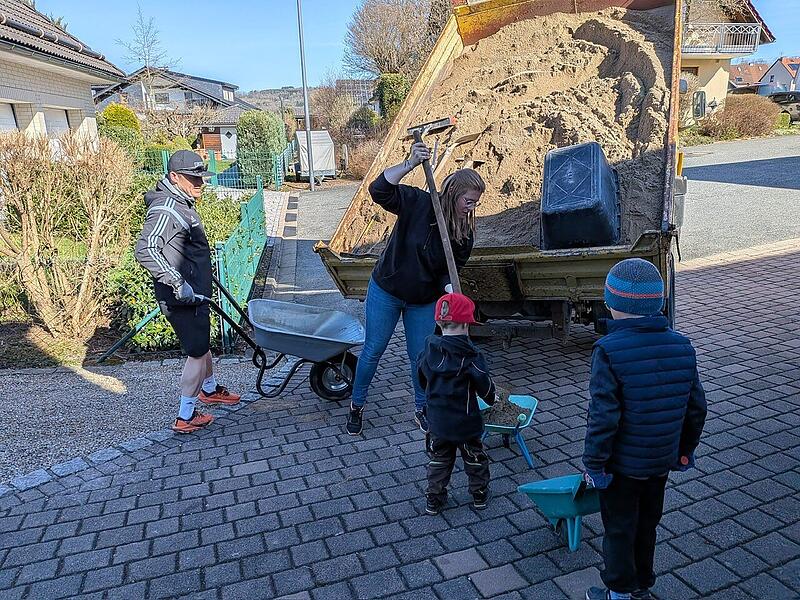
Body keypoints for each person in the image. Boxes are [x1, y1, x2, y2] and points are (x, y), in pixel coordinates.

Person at [582, 258, 707, 600]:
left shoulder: (607, 350)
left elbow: (604, 417)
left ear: (611, 304)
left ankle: (619, 593)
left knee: (619, 528)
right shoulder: (683, 346)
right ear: (659, 302)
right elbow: (696, 407)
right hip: (659, 463)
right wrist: (684, 450)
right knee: (647, 524)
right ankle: (642, 586)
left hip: (621, 468)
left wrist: (594, 463)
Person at [346, 142, 486, 436]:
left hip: (423, 301)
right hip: (387, 289)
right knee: (373, 350)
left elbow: (449, 270)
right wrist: (409, 163)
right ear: (454, 194)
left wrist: (448, 288)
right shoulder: (418, 203)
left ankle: (422, 408)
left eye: (476, 201)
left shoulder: (464, 233)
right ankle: (357, 405)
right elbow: (379, 190)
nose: (473, 207)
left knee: (420, 357)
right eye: (470, 200)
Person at [135, 150, 241, 434]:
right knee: (196, 353)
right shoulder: (166, 208)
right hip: (182, 298)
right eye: (193, 179)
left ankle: (209, 390)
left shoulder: (181, 203)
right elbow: (145, 249)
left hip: (196, 294)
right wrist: (177, 282)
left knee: (202, 345)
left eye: (202, 178)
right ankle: (186, 415)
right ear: (174, 177)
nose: (200, 184)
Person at [417, 292, 496, 515]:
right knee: (474, 457)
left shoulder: (427, 351)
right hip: (466, 420)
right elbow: (484, 383)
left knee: (440, 459)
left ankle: (434, 498)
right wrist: (491, 398)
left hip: (438, 420)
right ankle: (479, 495)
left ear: (439, 322)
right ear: (466, 324)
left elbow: (421, 378)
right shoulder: (471, 356)